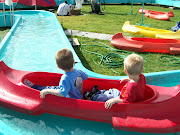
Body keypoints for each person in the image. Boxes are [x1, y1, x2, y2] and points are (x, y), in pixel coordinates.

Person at [24, 48, 88, 99]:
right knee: (54, 88)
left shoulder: (65, 78)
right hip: (78, 96)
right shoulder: (78, 72)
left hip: (70, 99)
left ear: (59, 67)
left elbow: (62, 93)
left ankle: (33, 88)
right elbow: (86, 76)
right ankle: (35, 87)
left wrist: (47, 91)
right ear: (74, 62)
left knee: (49, 89)